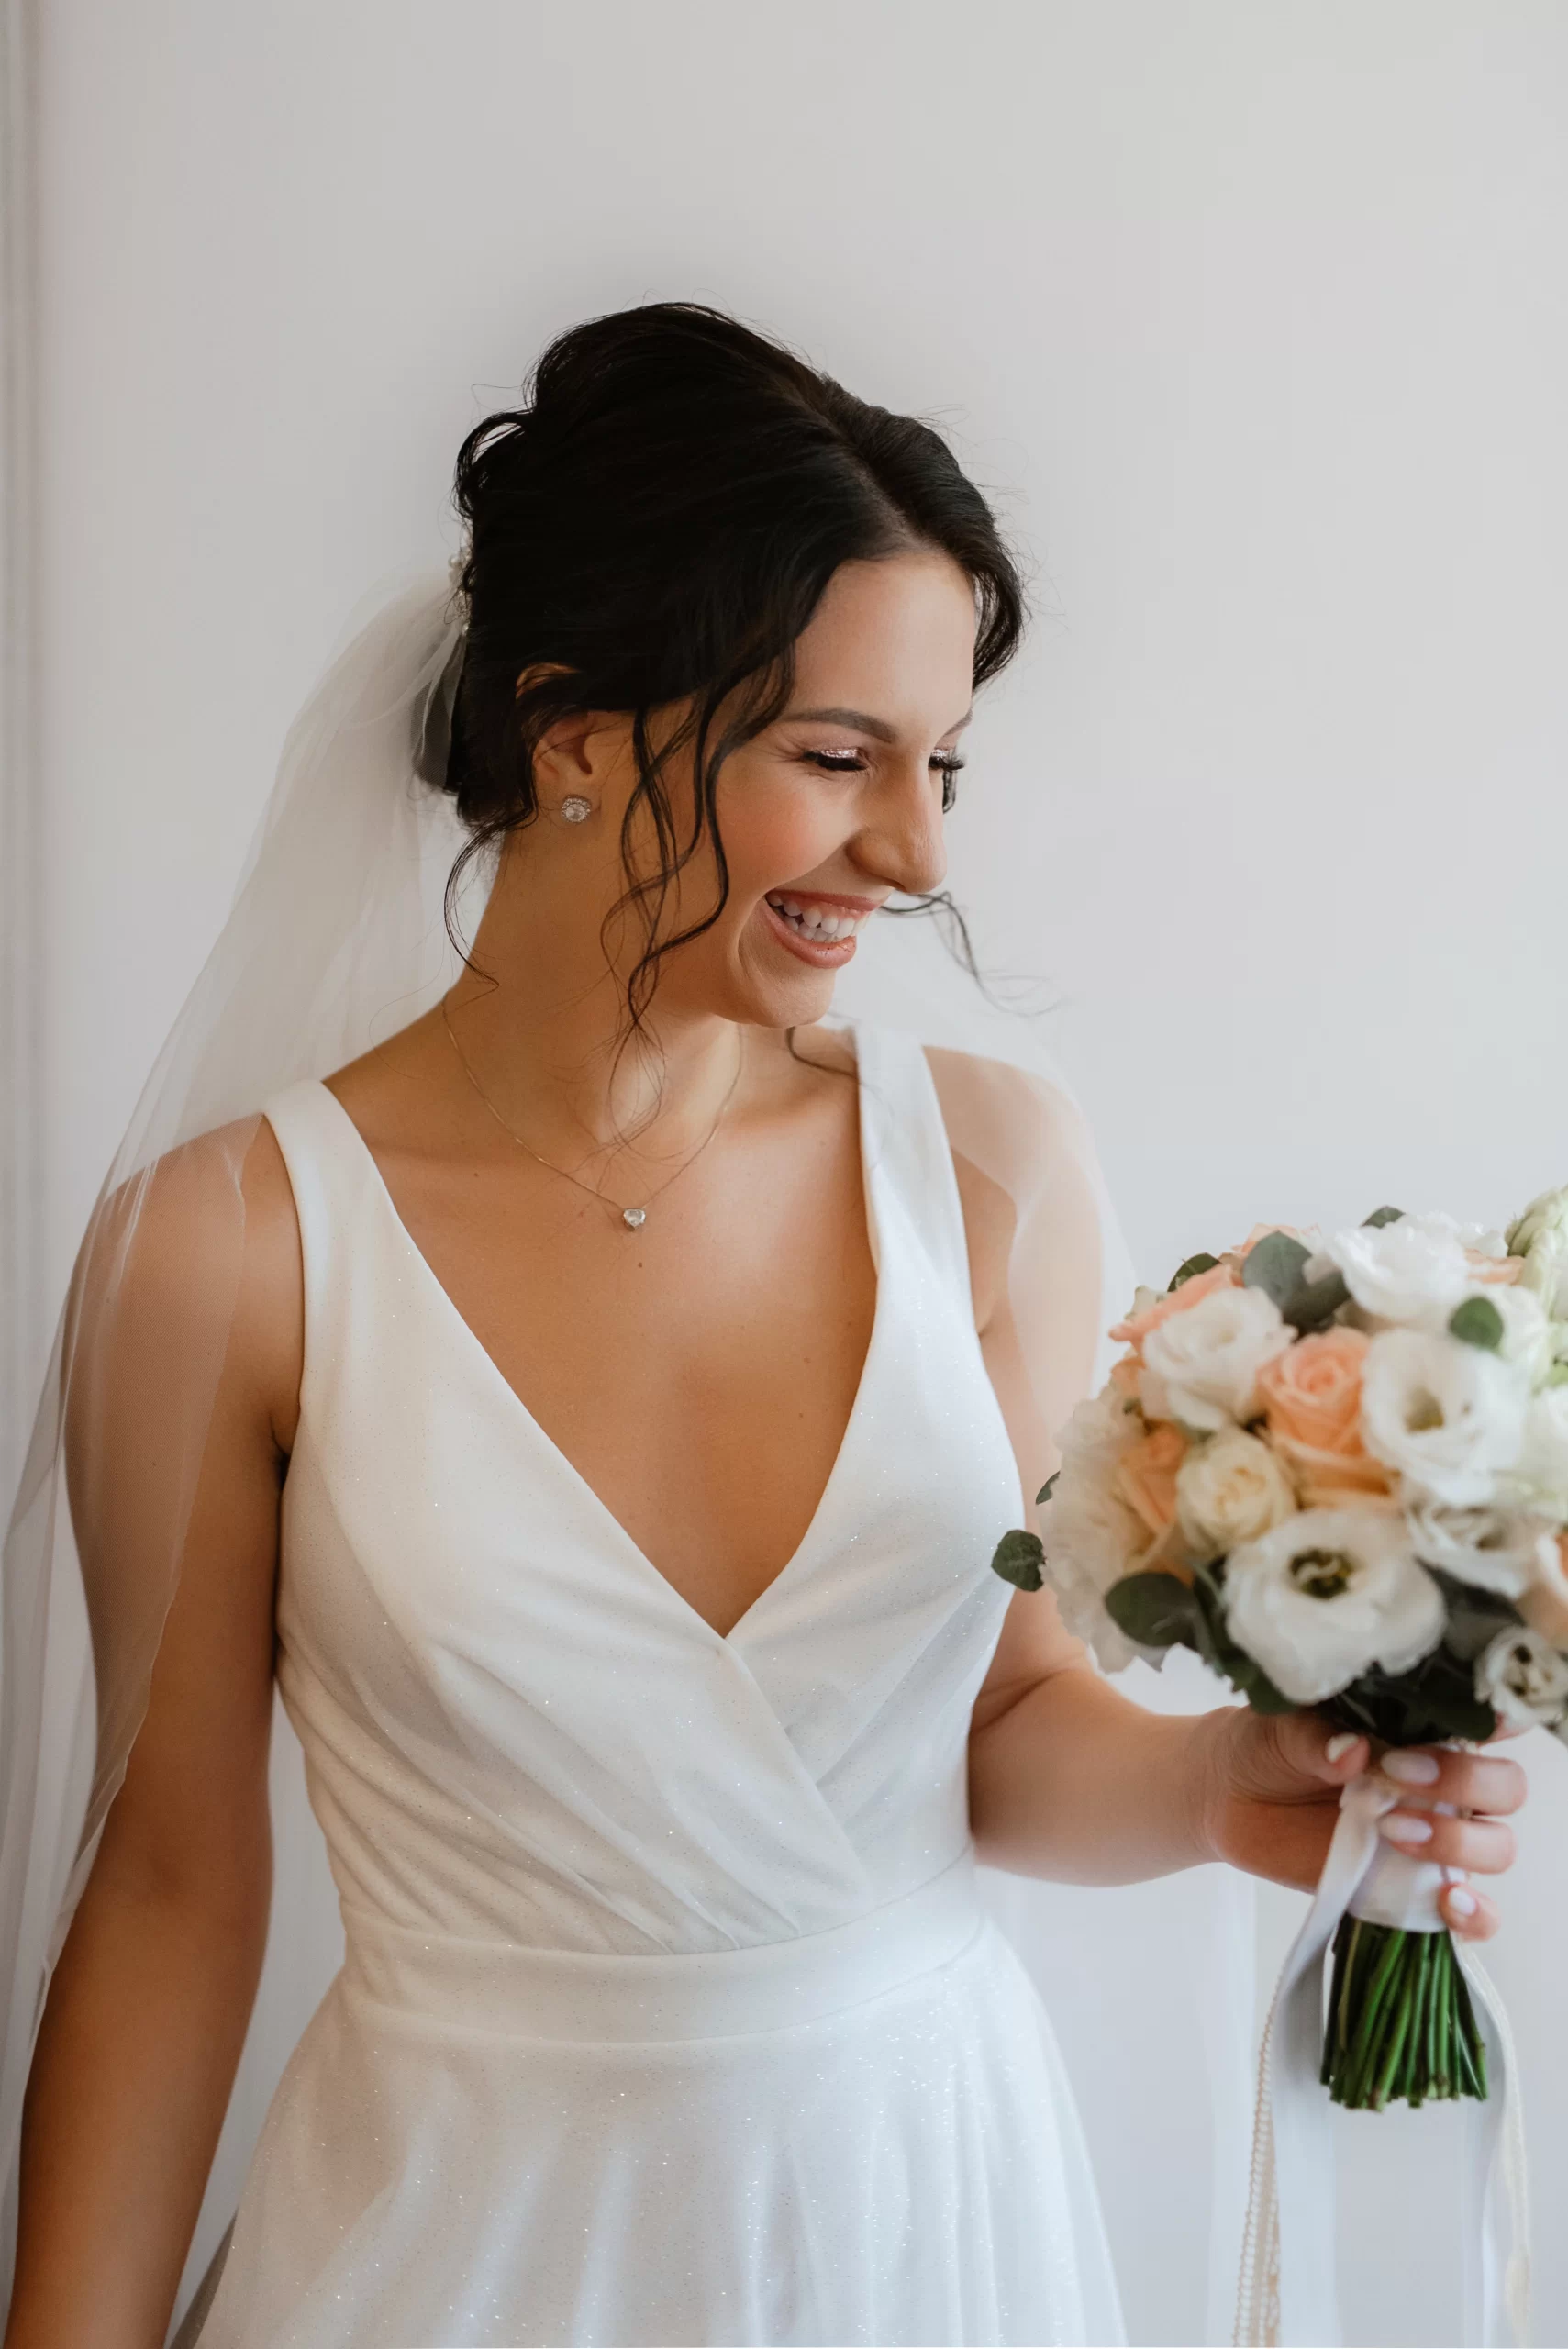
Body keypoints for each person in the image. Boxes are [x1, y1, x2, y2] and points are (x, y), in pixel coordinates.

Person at [2, 304, 1524, 2349]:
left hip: (921, 2219)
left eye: (942, 765)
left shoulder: (986, 1171)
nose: (912, 855)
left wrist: (1221, 1782)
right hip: (453, 2246)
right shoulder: (226, 1250)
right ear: (574, 736)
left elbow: (993, 1730)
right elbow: (176, 1886)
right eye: (836, 759)